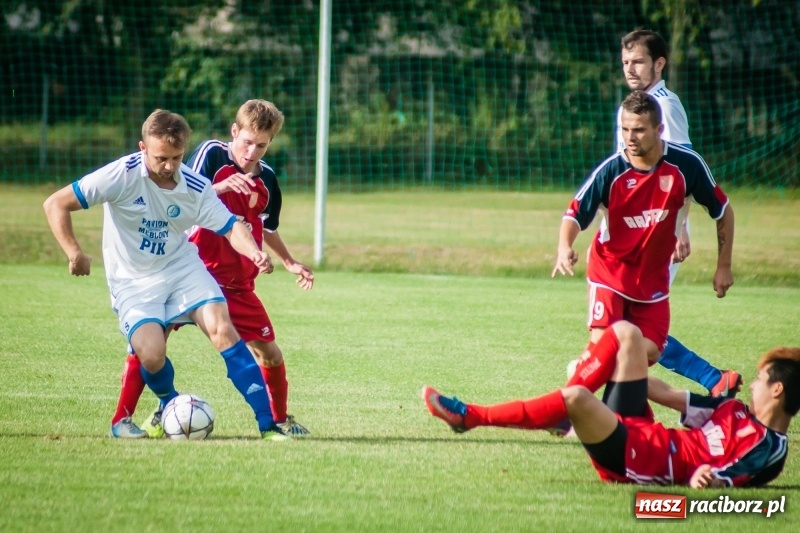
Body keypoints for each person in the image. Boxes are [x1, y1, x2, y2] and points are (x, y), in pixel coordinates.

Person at [43, 109, 290, 441]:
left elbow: (231, 226)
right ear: (142, 147)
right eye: (161, 157)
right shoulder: (121, 175)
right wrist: (74, 252)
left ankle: (267, 425)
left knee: (223, 329)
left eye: (177, 157)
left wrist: (256, 252)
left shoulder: (193, 185)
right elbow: (55, 204)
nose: (170, 166)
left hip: (182, 269)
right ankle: (169, 405)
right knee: (151, 352)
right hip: (133, 281)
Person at [110, 100, 314, 438]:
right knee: (148, 347)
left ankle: (280, 419)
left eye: (261, 145)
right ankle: (137, 416)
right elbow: (179, 193)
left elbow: (268, 228)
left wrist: (290, 261)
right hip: (190, 273)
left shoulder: (269, 179)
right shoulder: (211, 155)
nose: (252, 151)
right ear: (235, 131)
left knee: (271, 354)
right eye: (247, 141)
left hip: (236, 285)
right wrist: (220, 188)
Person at [549, 90, 734, 434]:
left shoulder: (686, 165)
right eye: (624, 129)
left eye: (638, 130)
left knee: (641, 356)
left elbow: (723, 211)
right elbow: (575, 213)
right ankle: (567, 409)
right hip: (609, 273)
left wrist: (723, 265)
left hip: (651, 283)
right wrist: (564, 246)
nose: (630, 138)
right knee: (606, 348)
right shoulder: (612, 170)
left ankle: (687, 406)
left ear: (659, 129)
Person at [422, 322, 799, 487]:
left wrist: (713, 480)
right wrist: (605, 370)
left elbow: (738, 475)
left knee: (574, 398)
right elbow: (664, 394)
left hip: (638, 461)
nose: (751, 386)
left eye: (760, 379)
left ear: (778, 390)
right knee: (626, 334)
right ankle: (564, 417)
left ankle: (469, 417)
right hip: (644, 432)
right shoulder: (732, 410)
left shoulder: (770, 447)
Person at [616, 29, 741, 397]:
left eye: (638, 61)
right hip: (636, 233)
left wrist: (679, 228)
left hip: (658, 233)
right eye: (625, 62)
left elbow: (680, 172)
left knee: (628, 328)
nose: (630, 68)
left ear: (659, 63)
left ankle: (597, 407)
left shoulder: (665, 106)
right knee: (626, 326)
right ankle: (712, 381)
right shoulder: (634, 103)